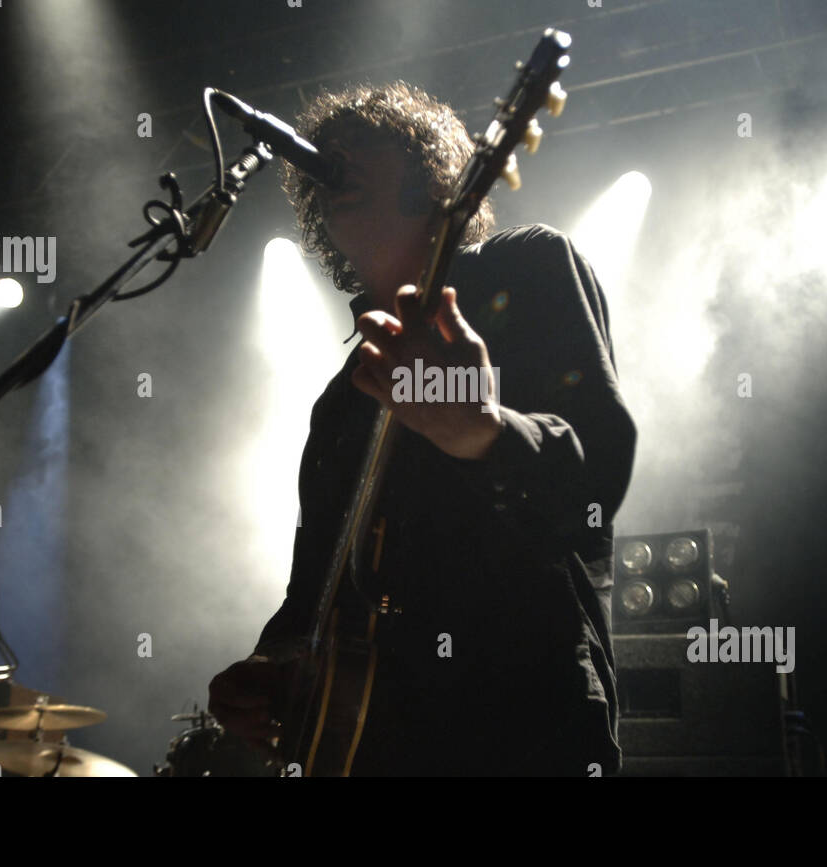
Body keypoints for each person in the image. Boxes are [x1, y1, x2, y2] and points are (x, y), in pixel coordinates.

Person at [208, 81, 636, 776]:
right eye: (327, 157)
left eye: (361, 153)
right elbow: (314, 589)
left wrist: (482, 431)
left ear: (432, 175)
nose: (334, 164)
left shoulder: (526, 266)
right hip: (367, 749)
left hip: (519, 727)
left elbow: (596, 476)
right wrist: (267, 669)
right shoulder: (341, 402)